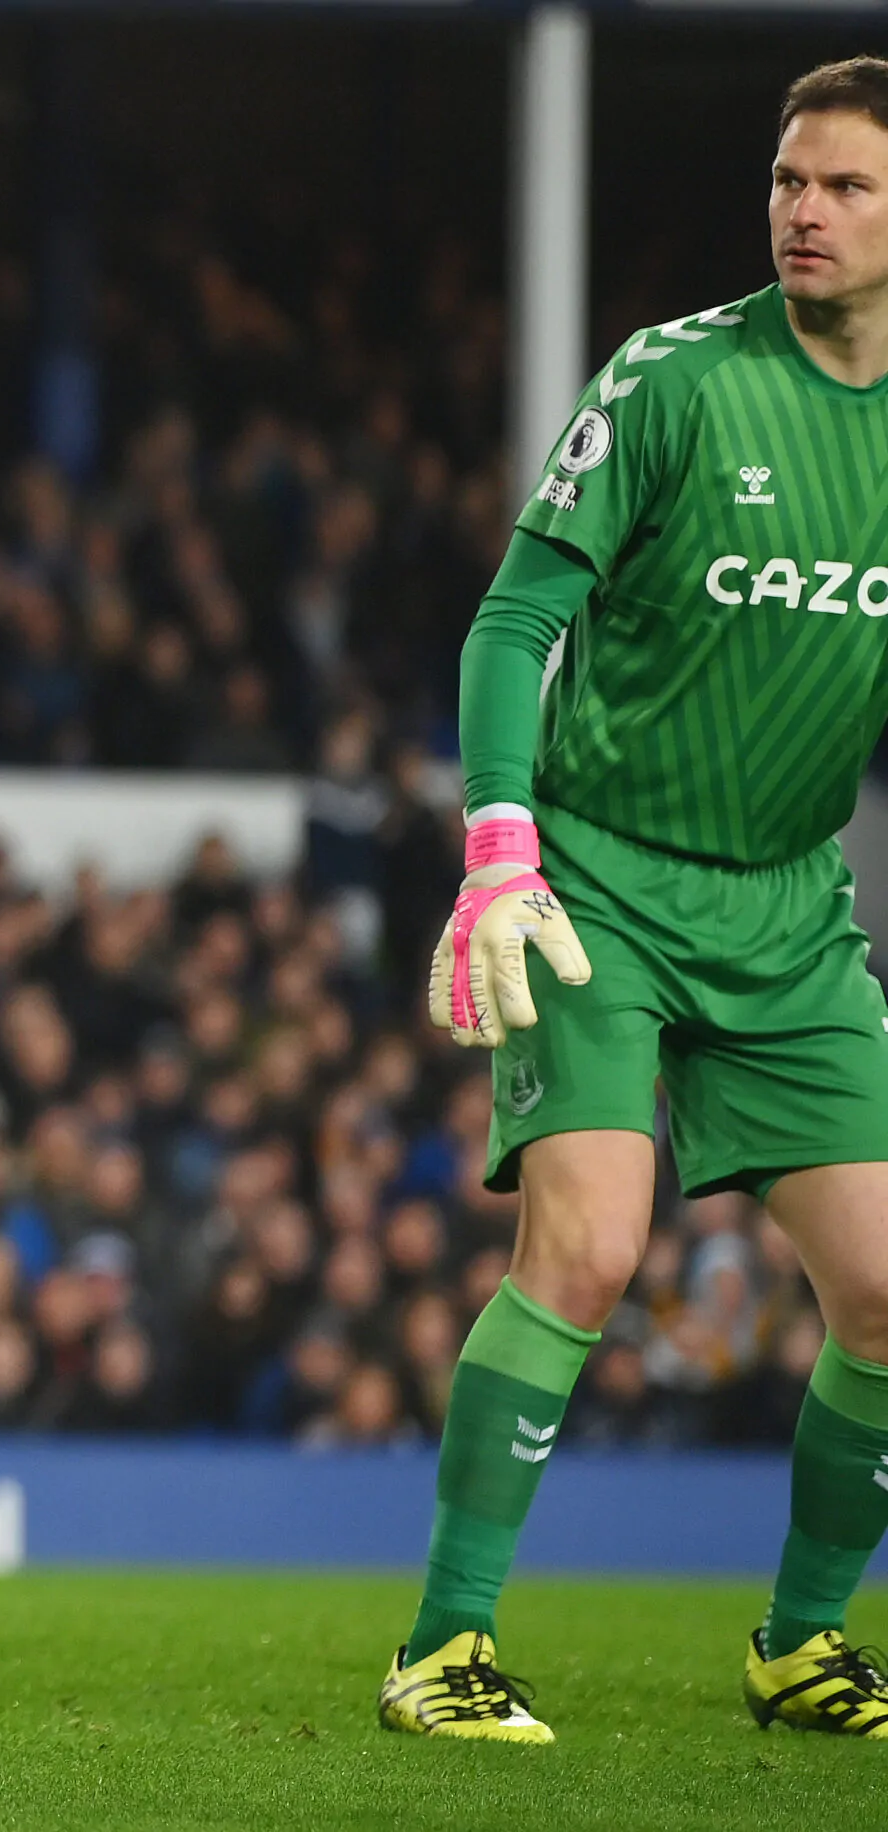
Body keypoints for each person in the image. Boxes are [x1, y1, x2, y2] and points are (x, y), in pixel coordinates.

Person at [389, 59, 888, 1743]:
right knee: (593, 1244)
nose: (805, 212)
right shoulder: (674, 379)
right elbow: (514, 622)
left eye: (847, 189)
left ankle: (802, 1645)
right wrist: (501, 842)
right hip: (593, 880)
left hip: (791, 909)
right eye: (790, 180)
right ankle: (442, 1650)